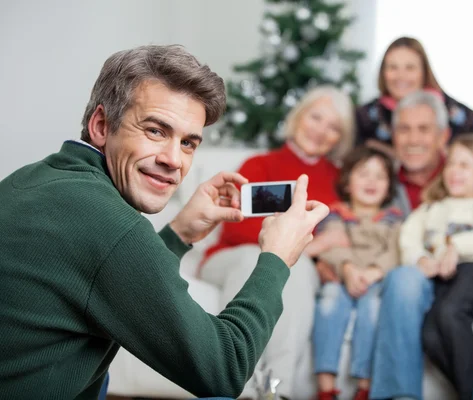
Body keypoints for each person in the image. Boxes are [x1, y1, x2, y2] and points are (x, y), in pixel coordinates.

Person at [0, 45, 330, 400]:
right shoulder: (109, 224)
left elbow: (113, 278)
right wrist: (277, 258)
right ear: (101, 125)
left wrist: (179, 233)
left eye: (188, 143)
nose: (174, 160)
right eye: (156, 131)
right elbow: (225, 369)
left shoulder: (36, 179)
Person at [369, 91, 473, 400]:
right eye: (404, 129)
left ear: (443, 136)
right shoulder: (380, 182)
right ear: (392, 135)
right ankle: (399, 395)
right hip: (426, 278)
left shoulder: (469, 178)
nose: (413, 139)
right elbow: (398, 235)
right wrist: (419, 258)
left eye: (424, 129)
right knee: (407, 284)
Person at [200, 85, 355, 399]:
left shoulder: (340, 181)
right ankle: (239, 386)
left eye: (334, 127)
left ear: (341, 138)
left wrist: (312, 253)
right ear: (299, 117)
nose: (322, 131)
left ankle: (277, 392)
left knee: (290, 269)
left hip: (294, 264)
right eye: (316, 117)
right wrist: (309, 245)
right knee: (261, 261)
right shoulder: (259, 165)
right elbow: (237, 229)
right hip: (235, 256)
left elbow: (345, 235)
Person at [401, 134, 473, 400]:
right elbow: (408, 238)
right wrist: (420, 259)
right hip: (442, 278)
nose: (454, 171)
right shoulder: (431, 208)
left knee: (450, 312)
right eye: (451, 164)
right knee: (430, 334)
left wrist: (456, 247)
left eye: (465, 166)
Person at [312, 147, 403, 400]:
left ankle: (365, 386)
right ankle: (326, 388)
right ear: (348, 182)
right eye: (364, 174)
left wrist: (373, 273)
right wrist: (349, 269)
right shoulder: (335, 214)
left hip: (375, 281)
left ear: (389, 187)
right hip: (342, 278)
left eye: (380, 176)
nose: (372, 181)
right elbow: (330, 246)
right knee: (329, 297)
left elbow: (396, 252)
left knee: (373, 305)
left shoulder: (394, 220)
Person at [355, 36, 473, 159]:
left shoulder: (449, 110)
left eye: (410, 68)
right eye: (393, 67)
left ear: (424, 72)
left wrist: (453, 153)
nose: (401, 76)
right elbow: (351, 153)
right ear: (383, 73)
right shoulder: (368, 114)